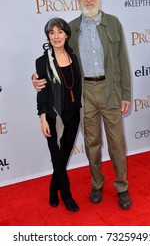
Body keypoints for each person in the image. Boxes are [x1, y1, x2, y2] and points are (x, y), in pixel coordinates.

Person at [32, 0, 132, 209]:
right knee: (92, 143)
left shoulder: (114, 23)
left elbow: (122, 60)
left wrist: (126, 93)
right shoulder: (72, 28)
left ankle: (122, 187)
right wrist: (36, 78)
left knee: (117, 143)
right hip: (84, 93)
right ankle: (96, 184)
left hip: (110, 90)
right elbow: (55, 59)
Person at [35, 17, 82, 212]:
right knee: (57, 158)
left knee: (62, 158)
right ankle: (66, 195)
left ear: (66, 35)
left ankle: (53, 188)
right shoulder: (42, 62)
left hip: (74, 115)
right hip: (55, 118)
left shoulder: (74, 56)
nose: (56, 36)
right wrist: (43, 117)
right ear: (48, 36)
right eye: (52, 32)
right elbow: (43, 92)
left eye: (59, 32)